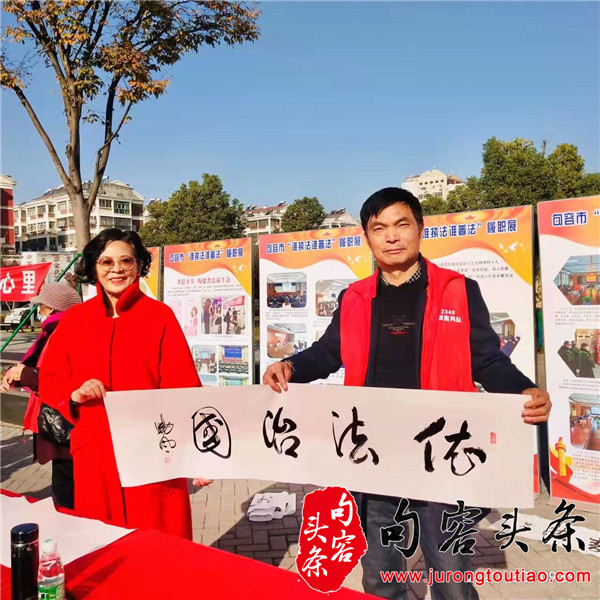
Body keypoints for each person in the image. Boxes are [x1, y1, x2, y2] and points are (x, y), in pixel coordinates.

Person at [263, 188, 551, 600]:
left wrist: (524, 388)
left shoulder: (458, 290)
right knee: (380, 577)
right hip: (372, 454)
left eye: (402, 224)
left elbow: (487, 360)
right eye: (379, 228)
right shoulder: (354, 297)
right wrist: (291, 366)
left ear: (420, 229)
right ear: (367, 237)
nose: (392, 236)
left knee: (452, 577)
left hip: (440, 454)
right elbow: (327, 353)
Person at [39, 229, 211, 539]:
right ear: (94, 267)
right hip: (95, 453)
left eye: (125, 261)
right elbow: (51, 379)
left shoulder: (160, 317)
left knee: (159, 543)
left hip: (154, 450)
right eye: (106, 262)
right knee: (102, 544)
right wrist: (74, 394)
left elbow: (184, 388)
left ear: (138, 265)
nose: (116, 269)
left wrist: (197, 454)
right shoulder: (75, 321)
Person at [1, 281, 82, 509]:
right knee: (64, 484)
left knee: (68, 493)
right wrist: (18, 374)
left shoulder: (68, 331)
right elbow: (38, 365)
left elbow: (64, 376)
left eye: (42, 306)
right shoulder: (52, 330)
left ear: (53, 307)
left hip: (66, 425)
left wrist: (25, 374)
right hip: (58, 423)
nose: (39, 310)